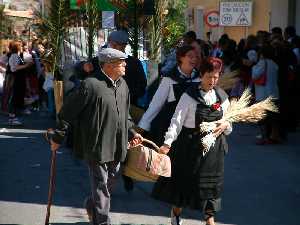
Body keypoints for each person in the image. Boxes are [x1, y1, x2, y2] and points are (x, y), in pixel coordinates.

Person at [48, 48, 143, 225]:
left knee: (108, 185)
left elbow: (126, 115)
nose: (124, 64)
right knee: (101, 186)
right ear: (107, 66)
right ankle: (102, 222)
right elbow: (67, 112)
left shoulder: (123, 85)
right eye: (120, 62)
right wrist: (58, 137)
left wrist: (132, 132)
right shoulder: (90, 85)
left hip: (118, 145)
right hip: (97, 145)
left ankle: (92, 206)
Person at [151, 57, 232, 225]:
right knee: (185, 185)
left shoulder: (222, 97)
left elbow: (230, 126)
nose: (213, 80)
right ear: (201, 75)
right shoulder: (189, 96)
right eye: (209, 76)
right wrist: (167, 143)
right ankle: (176, 211)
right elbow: (176, 121)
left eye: (216, 76)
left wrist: (225, 124)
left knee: (209, 190)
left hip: (214, 152)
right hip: (190, 148)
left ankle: (209, 220)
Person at [138, 45, 201, 146]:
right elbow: (156, 104)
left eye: (196, 57)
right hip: (170, 126)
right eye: (190, 56)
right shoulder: (169, 79)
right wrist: (143, 126)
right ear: (181, 57)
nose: (194, 59)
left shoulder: (199, 79)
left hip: (191, 127)